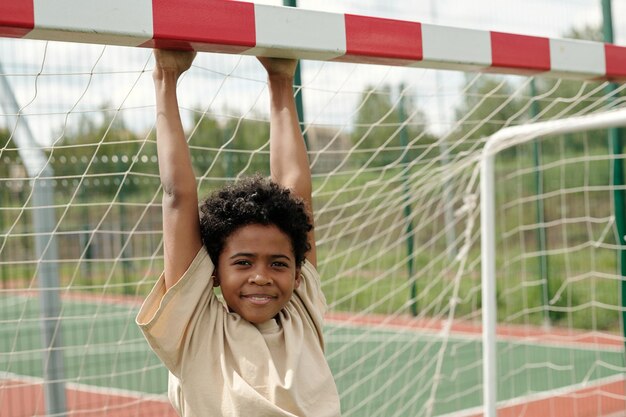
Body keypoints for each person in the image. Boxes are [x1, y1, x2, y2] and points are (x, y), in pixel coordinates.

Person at [136, 49, 341, 417]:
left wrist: (281, 80)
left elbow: (296, 191)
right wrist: (166, 78)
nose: (261, 276)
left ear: (298, 275)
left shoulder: (302, 313)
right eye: (243, 262)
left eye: (278, 264)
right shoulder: (197, 329)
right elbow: (178, 198)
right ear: (214, 270)